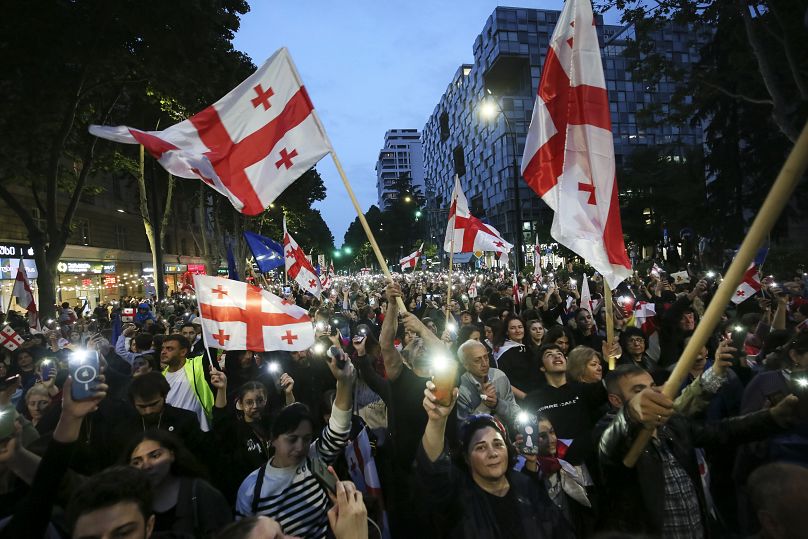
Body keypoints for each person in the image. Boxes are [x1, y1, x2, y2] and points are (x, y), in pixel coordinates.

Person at [596, 364, 799, 537]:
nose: (650, 394)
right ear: (616, 400)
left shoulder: (672, 424)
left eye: (651, 386)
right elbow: (610, 442)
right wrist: (631, 413)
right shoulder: (608, 432)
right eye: (638, 390)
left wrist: (771, 417)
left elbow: (721, 431)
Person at [415, 380, 573, 538]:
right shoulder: (459, 500)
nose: (493, 453)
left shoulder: (527, 487)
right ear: (467, 458)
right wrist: (437, 421)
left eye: (498, 444)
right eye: (481, 447)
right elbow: (434, 470)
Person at [235, 348, 354, 538]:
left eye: (306, 439)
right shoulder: (251, 489)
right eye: (292, 439)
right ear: (272, 439)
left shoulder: (314, 460)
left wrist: (345, 382)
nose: (300, 447)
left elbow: (338, 430)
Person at [124, 429, 231, 536]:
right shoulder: (130, 501)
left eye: (155, 456)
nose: (146, 466)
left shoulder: (201, 492)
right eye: (137, 462)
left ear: (172, 455)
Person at [211, 372, 295, 502]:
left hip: (281, 490)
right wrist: (222, 389)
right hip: (252, 496)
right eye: (249, 402)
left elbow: (292, 418)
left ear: (266, 400)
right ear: (241, 404)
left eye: (260, 400)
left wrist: (288, 393)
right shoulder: (236, 430)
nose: (255, 406)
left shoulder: (273, 423)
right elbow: (219, 422)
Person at [456, 340, 520, 425]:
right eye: (477, 360)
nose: (484, 363)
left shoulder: (499, 376)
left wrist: (497, 403)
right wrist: (484, 405)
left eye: (486, 357)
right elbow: (463, 428)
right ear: (465, 365)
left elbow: (515, 413)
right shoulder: (461, 389)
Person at [161, 334, 214, 431]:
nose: (163, 352)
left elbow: (211, 352)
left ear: (183, 352)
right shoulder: (161, 378)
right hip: (173, 431)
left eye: (169, 349)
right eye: (163, 348)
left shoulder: (197, 365)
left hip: (200, 430)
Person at [493, 315, 540, 400]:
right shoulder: (503, 353)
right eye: (513, 328)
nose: (518, 331)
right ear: (507, 332)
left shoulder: (530, 348)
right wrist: (526, 397)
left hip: (537, 395)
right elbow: (505, 382)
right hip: (520, 399)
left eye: (520, 327)